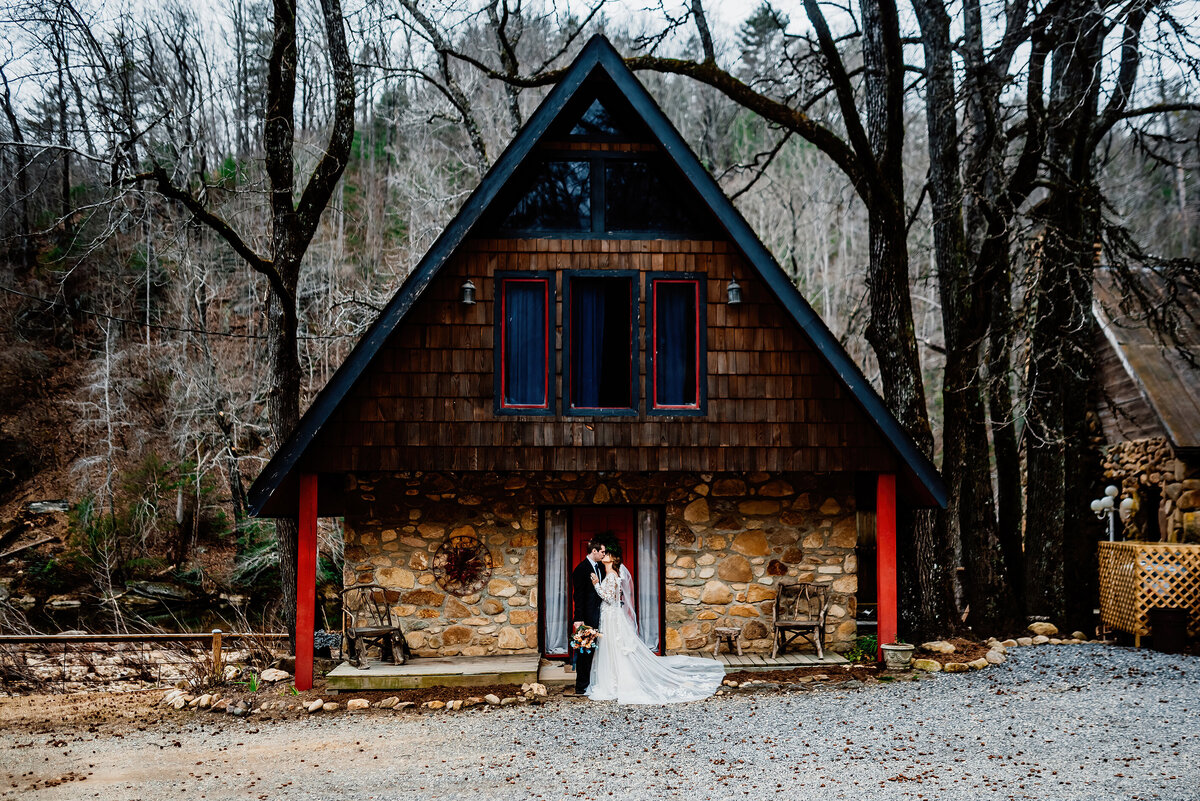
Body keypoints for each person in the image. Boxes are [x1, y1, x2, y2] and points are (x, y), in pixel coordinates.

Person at [587, 547, 725, 704]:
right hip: (610, 616)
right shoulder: (611, 574)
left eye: (607, 554)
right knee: (613, 647)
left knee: (614, 647)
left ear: (612, 559)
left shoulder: (611, 576)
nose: (604, 555)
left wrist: (596, 585)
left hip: (611, 616)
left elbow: (610, 598)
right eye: (603, 553)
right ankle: (615, 678)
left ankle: (618, 681)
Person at [567, 538, 607, 697]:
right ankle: (581, 686)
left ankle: (594, 681)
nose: (604, 554)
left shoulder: (601, 568)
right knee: (585, 651)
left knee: (597, 650)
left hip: (601, 615)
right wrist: (578, 618)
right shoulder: (581, 569)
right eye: (602, 551)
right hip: (586, 617)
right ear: (594, 551)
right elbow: (579, 596)